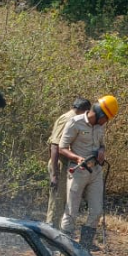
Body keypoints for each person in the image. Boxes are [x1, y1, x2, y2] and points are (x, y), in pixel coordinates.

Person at [58, 95, 119, 249]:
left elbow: (102, 145)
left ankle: (85, 248)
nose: (107, 122)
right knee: (71, 211)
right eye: (107, 119)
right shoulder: (75, 123)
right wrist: (77, 158)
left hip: (96, 172)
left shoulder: (99, 126)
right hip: (78, 171)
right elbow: (62, 148)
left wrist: (102, 151)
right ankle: (65, 249)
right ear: (100, 114)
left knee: (97, 210)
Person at [46, 98, 91, 229]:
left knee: (65, 201)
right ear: (85, 110)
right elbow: (55, 146)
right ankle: (50, 233)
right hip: (59, 164)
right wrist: (54, 174)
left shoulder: (76, 120)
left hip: (68, 165)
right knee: (56, 202)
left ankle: (58, 232)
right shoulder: (67, 119)